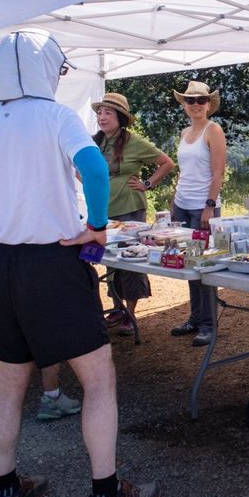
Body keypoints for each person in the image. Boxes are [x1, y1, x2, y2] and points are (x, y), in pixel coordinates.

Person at [0, 30, 159, 497]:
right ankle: (106, 494)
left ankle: (4, 489)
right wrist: (98, 227)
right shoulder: (56, 117)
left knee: (7, 385)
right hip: (54, 264)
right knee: (98, 380)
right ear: (46, 69)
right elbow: (93, 166)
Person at [92, 92, 174, 334]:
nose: (102, 117)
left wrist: (148, 184)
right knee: (111, 261)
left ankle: (131, 313)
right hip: (106, 210)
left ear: (120, 117)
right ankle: (117, 309)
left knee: (130, 259)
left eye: (108, 113)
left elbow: (167, 162)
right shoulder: (96, 142)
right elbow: (81, 168)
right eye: (99, 112)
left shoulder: (133, 141)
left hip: (129, 207)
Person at [168, 81, 225, 346]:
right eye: (190, 100)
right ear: (184, 105)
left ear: (209, 104)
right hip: (183, 203)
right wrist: (173, 203)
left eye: (200, 100)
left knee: (205, 267)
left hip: (203, 207)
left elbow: (218, 172)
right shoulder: (184, 132)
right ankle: (194, 318)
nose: (195, 105)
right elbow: (184, 172)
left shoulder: (214, 130)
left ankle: (208, 324)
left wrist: (210, 205)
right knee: (191, 267)